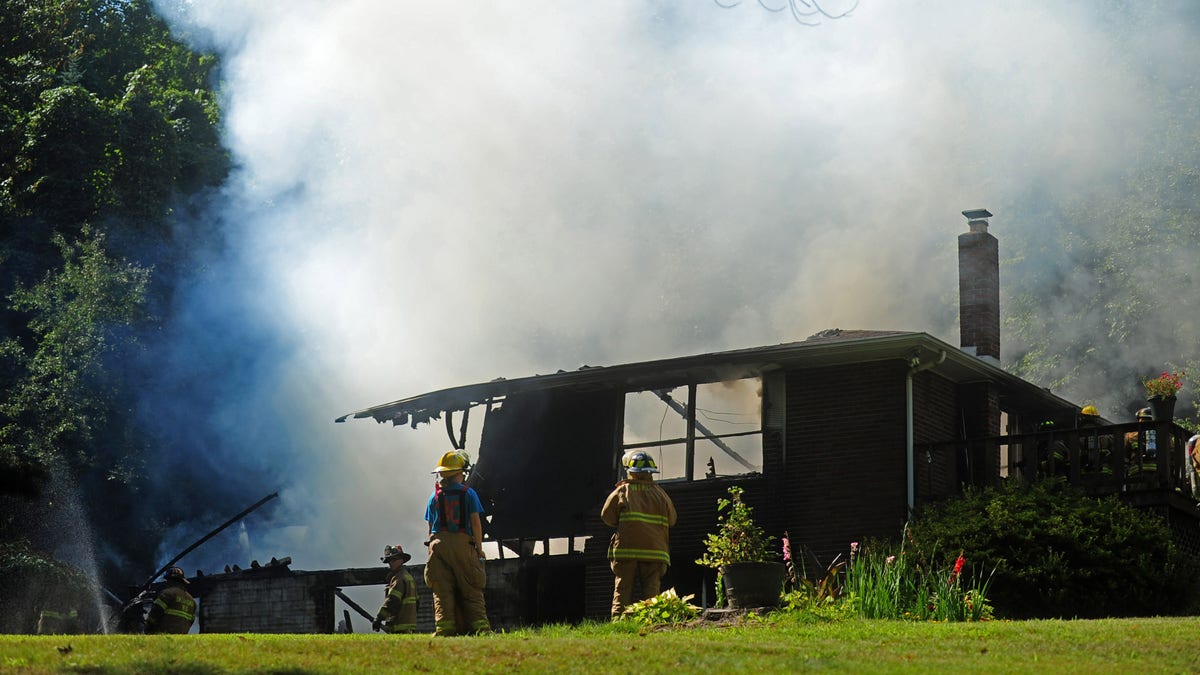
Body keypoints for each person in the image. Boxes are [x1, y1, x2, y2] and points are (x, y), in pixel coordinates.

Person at [600, 450, 677, 619]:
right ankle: (649, 623)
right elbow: (672, 520)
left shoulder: (623, 491)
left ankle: (619, 624)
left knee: (623, 589)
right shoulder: (661, 495)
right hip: (655, 553)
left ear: (630, 471)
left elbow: (607, 517)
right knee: (651, 594)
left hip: (626, 552)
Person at [424, 450, 490, 636]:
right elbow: (476, 523)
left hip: (438, 545)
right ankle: (481, 629)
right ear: (459, 473)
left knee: (442, 590)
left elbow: (431, 526)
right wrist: (479, 548)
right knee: (471, 587)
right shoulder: (469, 494)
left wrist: (431, 548)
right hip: (463, 545)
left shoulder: (433, 497)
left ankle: (444, 630)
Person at [373, 544, 418, 634]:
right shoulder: (408, 577)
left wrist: (379, 618)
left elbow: (392, 601)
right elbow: (417, 603)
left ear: (401, 560)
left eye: (394, 560)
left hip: (399, 625)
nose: (390, 563)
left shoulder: (399, 578)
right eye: (389, 561)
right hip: (408, 625)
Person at [144, 566, 195, 634]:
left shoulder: (167, 594)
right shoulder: (191, 600)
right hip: (182, 636)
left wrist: (148, 629)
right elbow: (191, 621)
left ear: (170, 580)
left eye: (167, 580)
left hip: (163, 634)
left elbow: (155, 613)